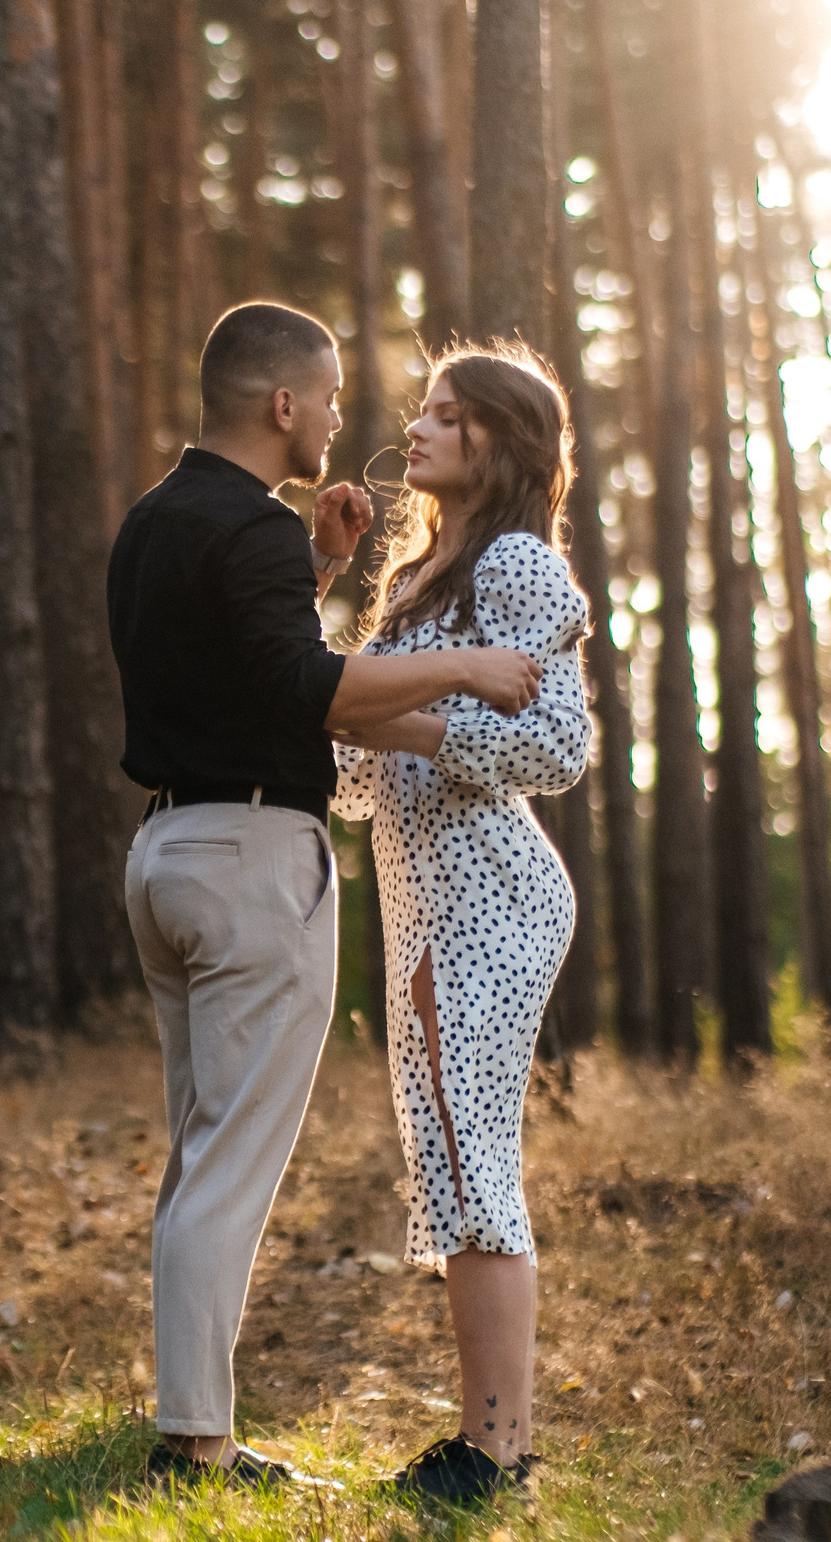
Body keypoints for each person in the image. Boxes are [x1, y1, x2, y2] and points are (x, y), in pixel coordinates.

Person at [107, 303, 544, 1487]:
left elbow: (226, 663)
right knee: (231, 1160)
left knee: (202, 1151)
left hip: (161, 852)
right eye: (337, 397)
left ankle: (185, 1416)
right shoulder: (246, 523)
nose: (352, 420)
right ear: (283, 405)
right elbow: (298, 683)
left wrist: (314, 570)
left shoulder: (152, 521)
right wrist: (463, 664)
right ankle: (194, 1441)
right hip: (251, 860)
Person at [330, 341, 593, 1503]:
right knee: (445, 1159)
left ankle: (496, 1448)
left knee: (472, 1158)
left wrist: (422, 727)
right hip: (416, 890)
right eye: (423, 409)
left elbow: (561, 746)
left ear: (502, 441)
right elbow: (346, 775)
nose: (419, 428)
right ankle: (486, 1437)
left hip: (495, 889)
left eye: (450, 413)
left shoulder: (522, 570)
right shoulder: (412, 585)